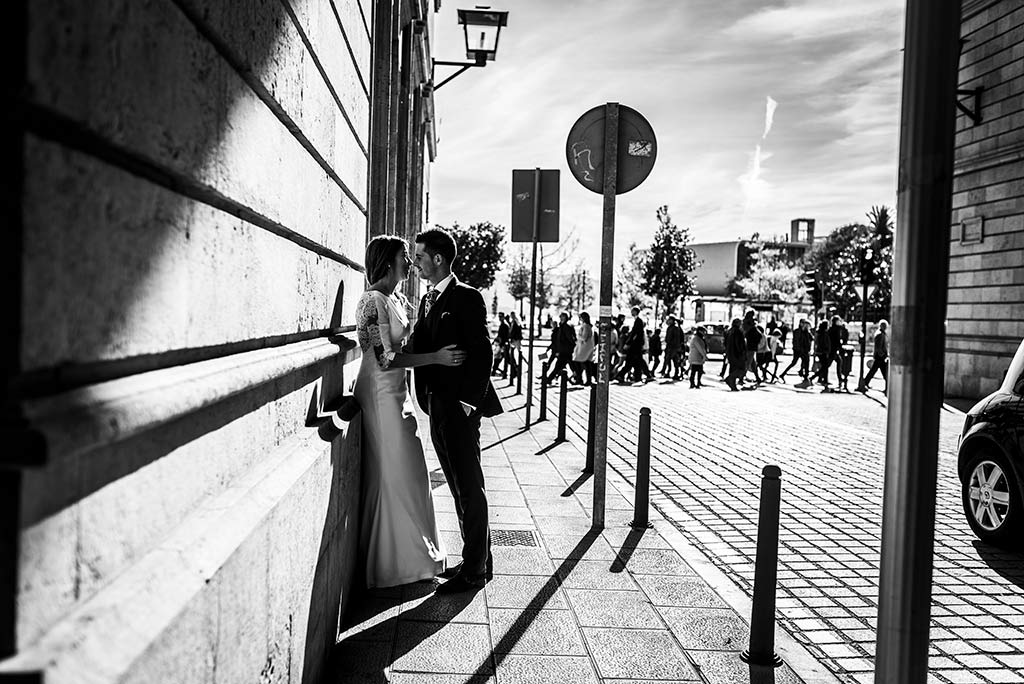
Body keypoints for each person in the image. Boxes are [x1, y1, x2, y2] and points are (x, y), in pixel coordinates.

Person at [354, 235, 465, 588]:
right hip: (379, 392)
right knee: (396, 473)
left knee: (413, 473)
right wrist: (436, 359)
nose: (412, 263)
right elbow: (384, 358)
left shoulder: (397, 299)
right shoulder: (371, 302)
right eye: (406, 256)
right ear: (390, 262)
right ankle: (398, 564)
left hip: (399, 393)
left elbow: (409, 341)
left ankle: (417, 555)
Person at [409, 228, 504, 593]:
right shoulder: (428, 299)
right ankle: (478, 558)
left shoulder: (467, 297)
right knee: (456, 484)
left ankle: (474, 571)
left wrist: (468, 404)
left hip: (459, 408)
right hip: (436, 404)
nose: (415, 263)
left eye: (419, 257)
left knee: (469, 486)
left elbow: (483, 353)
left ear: (438, 258)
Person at [545, 312, 577, 385]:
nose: (561, 318)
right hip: (564, 349)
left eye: (562, 317)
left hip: (566, 350)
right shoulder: (562, 326)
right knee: (571, 365)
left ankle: (549, 379)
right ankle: (578, 377)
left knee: (559, 366)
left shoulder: (566, 326)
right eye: (560, 317)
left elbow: (570, 338)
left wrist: (573, 345)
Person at [859, 319, 889, 393]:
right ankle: (888, 387)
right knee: (884, 372)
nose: (885, 327)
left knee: (874, 370)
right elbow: (879, 347)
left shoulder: (880, 333)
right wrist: (883, 355)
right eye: (885, 326)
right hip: (880, 356)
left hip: (879, 356)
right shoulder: (880, 334)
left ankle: (866, 382)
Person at [780, 318, 812, 385]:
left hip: (804, 350)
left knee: (805, 361)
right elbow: (796, 341)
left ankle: (805, 374)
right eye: (803, 323)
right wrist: (798, 349)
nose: (804, 325)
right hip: (798, 350)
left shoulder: (806, 331)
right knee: (794, 362)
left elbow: (811, 338)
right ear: (800, 323)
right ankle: (783, 373)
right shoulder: (797, 331)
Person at [571, 311, 597, 385]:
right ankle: (584, 379)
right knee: (586, 364)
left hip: (583, 348)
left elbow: (584, 337)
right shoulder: (589, 326)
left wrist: (578, 337)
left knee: (580, 363)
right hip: (587, 347)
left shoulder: (585, 326)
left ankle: (580, 379)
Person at [724, 318, 746, 391]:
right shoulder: (738, 332)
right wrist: (742, 352)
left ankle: (732, 385)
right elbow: (739, 344)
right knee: (741, 368)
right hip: (737, 353)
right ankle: (730, 379)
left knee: (733, 368)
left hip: (730, 353)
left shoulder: (729, 331)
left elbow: (725, 343)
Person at [813, 320, 832, 387]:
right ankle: (814, 377)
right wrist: (826, 350)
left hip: (821, 351)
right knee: (825, 366)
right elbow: (825, 343)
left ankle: (824, 380)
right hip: (823, 352)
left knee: (825, 366)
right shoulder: (824, 333)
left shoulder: (820, 332)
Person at [491, 312, 510, 377]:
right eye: (499, 316)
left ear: (503, 317)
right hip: (502, 344)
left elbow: (504, 336)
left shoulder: (504, 325)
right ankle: (496, 371)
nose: (499, 318)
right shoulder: (503, 324)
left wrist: (501, 344)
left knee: (500, 359)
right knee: (503, 358)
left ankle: (495, 371)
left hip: (503, 345)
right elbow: (500, 335)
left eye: (501, 316)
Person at [507, 312, 523, 378]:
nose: (512, 316)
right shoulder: (513, 322)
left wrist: (513, 338)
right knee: (512, 354)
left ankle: (517, 368)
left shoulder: (516, 322)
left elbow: (516, 332)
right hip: (514, 340)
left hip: (516, 340)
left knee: (516, 354)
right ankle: (515, 368)